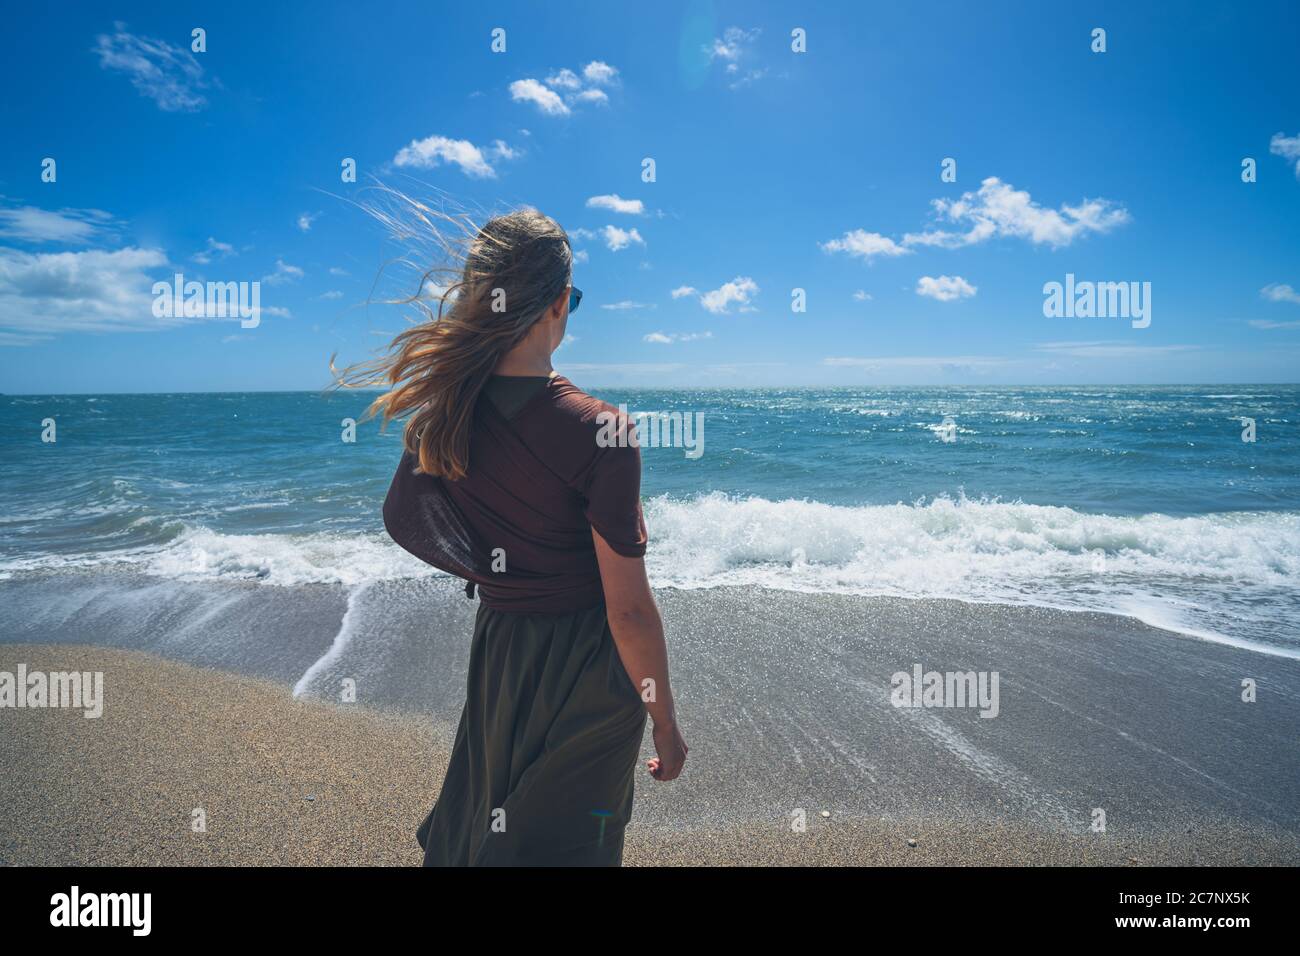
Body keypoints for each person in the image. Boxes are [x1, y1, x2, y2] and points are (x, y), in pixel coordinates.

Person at [345, 204, 686, 866]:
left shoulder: (443, 419)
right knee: (570, 842)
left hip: (500, 652)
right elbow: (630, 610)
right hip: (590, 662)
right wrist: (666, 723)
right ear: (559, 302)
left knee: (492, 824)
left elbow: (437, 523)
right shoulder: (602, 428)